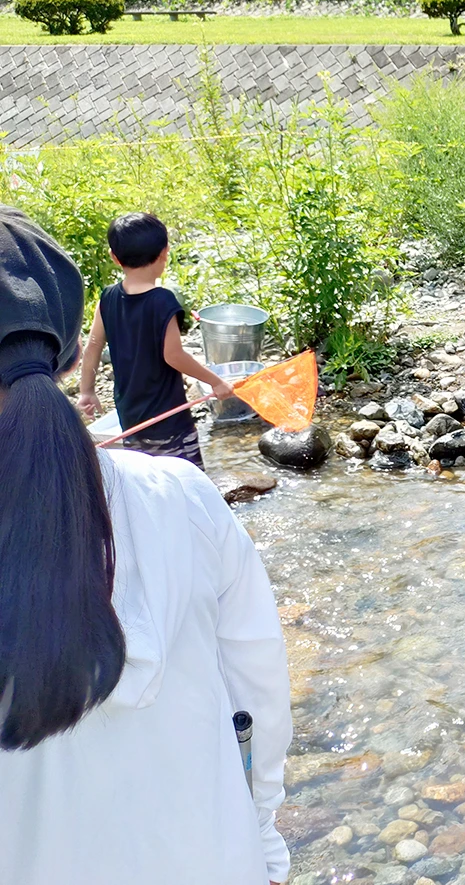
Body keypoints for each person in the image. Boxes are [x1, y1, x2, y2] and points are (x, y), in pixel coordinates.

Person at [0, 206, 292, 885]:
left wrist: (91, 389)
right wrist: (264, 837)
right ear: (60, 347)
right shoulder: (185, 500)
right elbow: (258, 692)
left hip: (126, 425)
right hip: (212, 860)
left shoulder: (109, 304)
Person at [77, 212, 232, 468]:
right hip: (168, 421)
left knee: (147, 481)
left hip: (131, 419)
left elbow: (93, 346)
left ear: (114, 257)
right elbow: (173, 356)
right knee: (187, 483)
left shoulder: (108, 298)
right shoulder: (163, 301)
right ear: (164, 253)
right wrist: (216, 382)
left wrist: (87, 391)